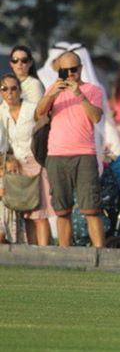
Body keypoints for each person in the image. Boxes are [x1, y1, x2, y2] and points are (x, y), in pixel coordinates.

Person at [35, 51, 105, 248]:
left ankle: (101, 254)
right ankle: (64, 255)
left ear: (81, 69)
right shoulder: (53, 89)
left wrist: (79, 94)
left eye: (74, 69)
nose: (70, 74)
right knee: (62, 210)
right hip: (56, 154)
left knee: (91, 209)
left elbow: (96, 117)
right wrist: (51, 94)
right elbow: (39, 114)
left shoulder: (93, 90)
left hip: (84, 154)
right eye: (65, 71)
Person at [0, 74, 53, 245]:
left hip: (36, 162)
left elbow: (46, 126)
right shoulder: (2, 111)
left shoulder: (31, 108)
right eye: (5, 89)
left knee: (40, 213)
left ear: (20, 90)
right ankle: (33, 254)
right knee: (27, 214)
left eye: (14, 88)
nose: (10, 93)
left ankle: (45, 252)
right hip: (18, 167)